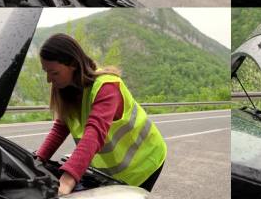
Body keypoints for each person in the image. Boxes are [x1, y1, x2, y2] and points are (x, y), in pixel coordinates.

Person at [34, 33, 167, 195]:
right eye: (46, 72)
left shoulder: (106, 86)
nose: (49, 79)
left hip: (145, 162)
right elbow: (60, 128)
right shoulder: (66, 88)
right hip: (112, 171)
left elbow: (94, 133)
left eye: (54, 73)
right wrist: (38, 160)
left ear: (73, 64)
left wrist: (67, 181)